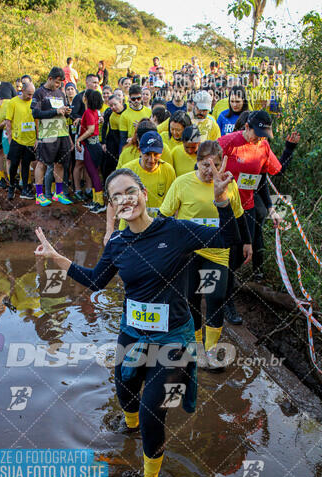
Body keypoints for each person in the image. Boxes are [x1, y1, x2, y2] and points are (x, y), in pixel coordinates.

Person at [34, 163, 240, 477]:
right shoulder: (117, 243)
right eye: (117, 197)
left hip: (172, 337)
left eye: (131, 191)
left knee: (151, 409)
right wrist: (56, 257)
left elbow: (227, 238)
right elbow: (96, 281)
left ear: (144, 195)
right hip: (132, 333)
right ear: (113, 207)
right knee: (124, 387)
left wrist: (222, 201)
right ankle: (129, 430)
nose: (126, 199)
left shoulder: (175, 230)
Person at [160, 141, 250, 369]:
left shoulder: (229, 185)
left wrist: (247, 242)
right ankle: (197, 346)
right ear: (196, 162)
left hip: (217, 252)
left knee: (215, 298)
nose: (210, 170)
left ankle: (211, 349)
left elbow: (239, 216)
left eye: (216, 165)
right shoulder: (182, 183)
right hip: (188, 252)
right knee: (190, 299)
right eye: (205, 165)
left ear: (223, 164)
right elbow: (164, 216)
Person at [218, 110, 291, 324]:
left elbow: (269, 175)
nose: (259, 138)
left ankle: (223, 285)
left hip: (246, 206)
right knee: (228, 255)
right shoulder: (227, 142)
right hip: (224, 207)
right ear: (247, 127)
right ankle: (225, 302)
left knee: (242, 255)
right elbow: (203, 165)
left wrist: (271, 208)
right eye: (256, 133)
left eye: (263, 134)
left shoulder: (263, 147)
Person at [106, 131, 176, 240]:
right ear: (139, 150)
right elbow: (112, 202)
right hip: (128, 230)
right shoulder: (127, 171)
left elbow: (173, 203)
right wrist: (109, 230)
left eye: (155, 154)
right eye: (147, 154)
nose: (151, 160)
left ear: (162, 152)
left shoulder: (168, 171)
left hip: (156, 231)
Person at [31, 66, 73, 207]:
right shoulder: (39, 93)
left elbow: (63, 111)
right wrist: (55, 111)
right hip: (47, 134)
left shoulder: (61, 93)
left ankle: (58, 193)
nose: (58, 85)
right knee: (42, 163)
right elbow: (35, 114)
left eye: (60, 83)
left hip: (62, 133)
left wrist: (66, 112)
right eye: (56, 82)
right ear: (50, 78)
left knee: (60, 163)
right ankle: (39, 194)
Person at [4, 81, 36, 201]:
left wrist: (37, 138)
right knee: (14, 164)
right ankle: (11, 185)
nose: (30, 97)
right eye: (28, 94)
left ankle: (25, 189)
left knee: (26, 165)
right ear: (22, 91)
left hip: (30, 139)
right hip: (17, 139)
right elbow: (8, 121)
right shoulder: (13, 102)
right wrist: (10, 139)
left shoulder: (34, 102)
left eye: (32, 94)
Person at [75, 89, 105, 214]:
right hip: (95, 145)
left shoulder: (88, 112)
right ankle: (95, 199)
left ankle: (100, 202)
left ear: (86, 99)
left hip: (91, 146)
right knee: (93, 173)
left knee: (93, 174)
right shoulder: (94, 112)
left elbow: (91, 129)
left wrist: (78, 139)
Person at [101, 93, 126, 182]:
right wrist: (103, 142)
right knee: (109, 164)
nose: (113, 107)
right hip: (113, 140)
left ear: (120, 101)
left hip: (126, 140)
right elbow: (104, 127)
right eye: (111, 105)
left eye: (115, 104)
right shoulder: (110, 113)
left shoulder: (128, 111)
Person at [118, 84, 152, 151]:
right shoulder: (124, 115)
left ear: (141, 97)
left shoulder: (149, 112)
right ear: (130, 98)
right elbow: (123, 138)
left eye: (138, 98)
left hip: (146, 147)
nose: (136, 101)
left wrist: (141, 127)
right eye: (133, 99)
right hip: (131, 148)